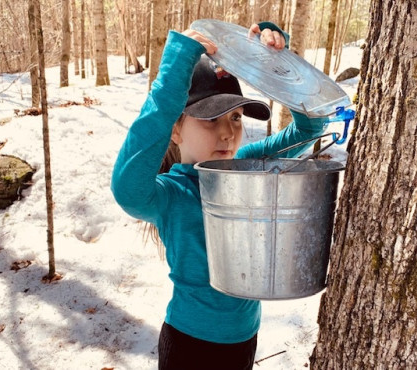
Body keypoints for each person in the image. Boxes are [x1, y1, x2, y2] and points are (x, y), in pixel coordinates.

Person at [111, 20, 327, 370]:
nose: (228, 133)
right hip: (190, 345)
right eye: (211, 119)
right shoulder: (172, 194)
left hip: (245, 339)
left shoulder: (245, 168)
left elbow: (310, 128)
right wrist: (176, 70)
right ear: (176, 129)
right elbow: (127, 189)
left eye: (237, 117)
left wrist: (277, 62)